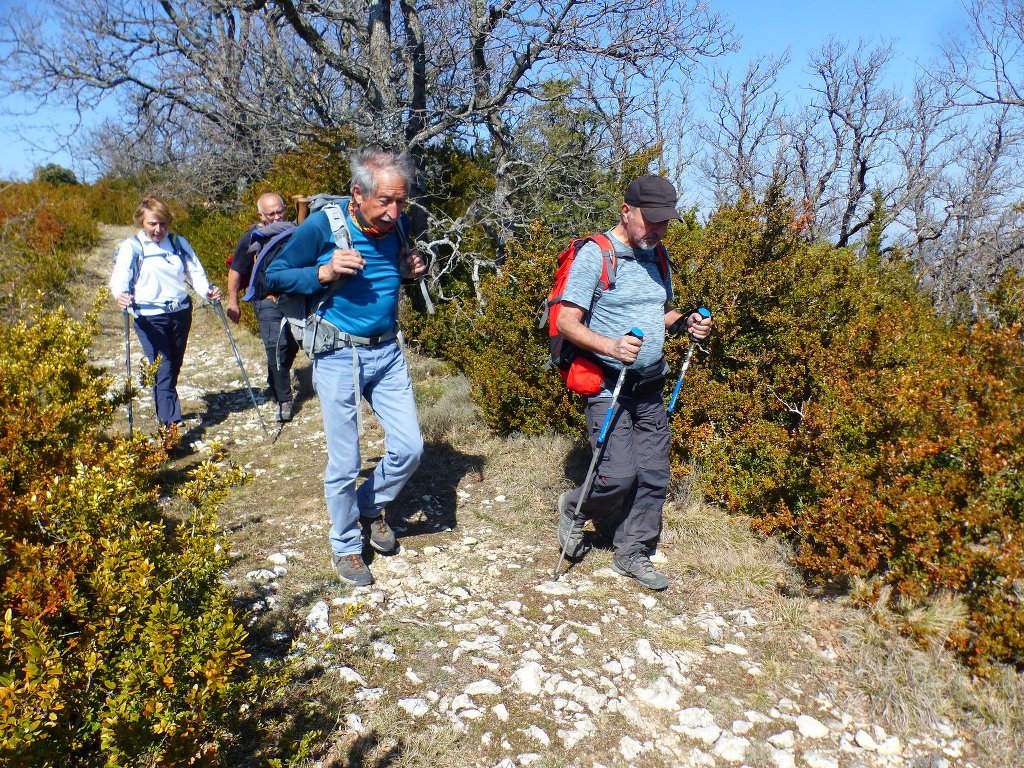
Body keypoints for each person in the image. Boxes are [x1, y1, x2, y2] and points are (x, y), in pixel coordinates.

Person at [264, 147, 426, 587]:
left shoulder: (400, 224)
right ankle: (346, 544)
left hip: (387, 351)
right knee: (345, 460)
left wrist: (411, 269)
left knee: (410, 448)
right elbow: (273, 276)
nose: (394, 212)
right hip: (338, 353)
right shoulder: (324, 225)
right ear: (357, 194)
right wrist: (322, 270)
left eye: (401, 202)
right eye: (385, 202)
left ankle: (368, 505)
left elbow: (393, 269)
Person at [555, 175, 713, 591]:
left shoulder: (657, 256)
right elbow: (565, 321)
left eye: (665, 223)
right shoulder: (597, 255)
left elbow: (658, 313)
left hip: (649, 382)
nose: (659, 230)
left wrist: (686, 323)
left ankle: (632, 552)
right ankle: (575, 508)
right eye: (651, 220)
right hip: (607, 380)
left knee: (655, 473)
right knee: (618, 475)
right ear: (626, 211)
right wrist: (610, 345)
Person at [110, 195, 222, 436]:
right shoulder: (132, 247)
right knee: (164, 367)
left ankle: (166, 410)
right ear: (141, 222)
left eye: (163, 223)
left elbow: (195, 271)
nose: (158, 229)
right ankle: (169, 428)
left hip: (180, 313)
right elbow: (119, 277)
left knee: (174, 365)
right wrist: (120, 295)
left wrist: (208, 291)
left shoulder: (178, 243)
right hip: (149, 317)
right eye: (152, 224)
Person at [225, 192, 300, 422]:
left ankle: (275, 379)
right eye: (272, 213)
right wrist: (232, 301)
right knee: (275, 345)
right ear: (261, 215)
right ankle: (284, 400)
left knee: (292, 345)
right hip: (265, 298)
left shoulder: (296, 230)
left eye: (281, 211)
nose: (278, 217)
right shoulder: (251, 238)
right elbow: (236, 270)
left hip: (294, 297)